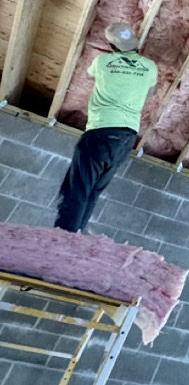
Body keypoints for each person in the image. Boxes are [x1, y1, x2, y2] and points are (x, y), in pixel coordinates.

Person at [54, 22, 158, 233]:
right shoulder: (150, 67)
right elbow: (152, 92)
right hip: (127, 136)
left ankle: (62, 239)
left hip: (100, 131)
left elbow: (88, 75)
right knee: (94, 191)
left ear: (112, 46)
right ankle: (75, 238)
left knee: (78, 189)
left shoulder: (102, 61)